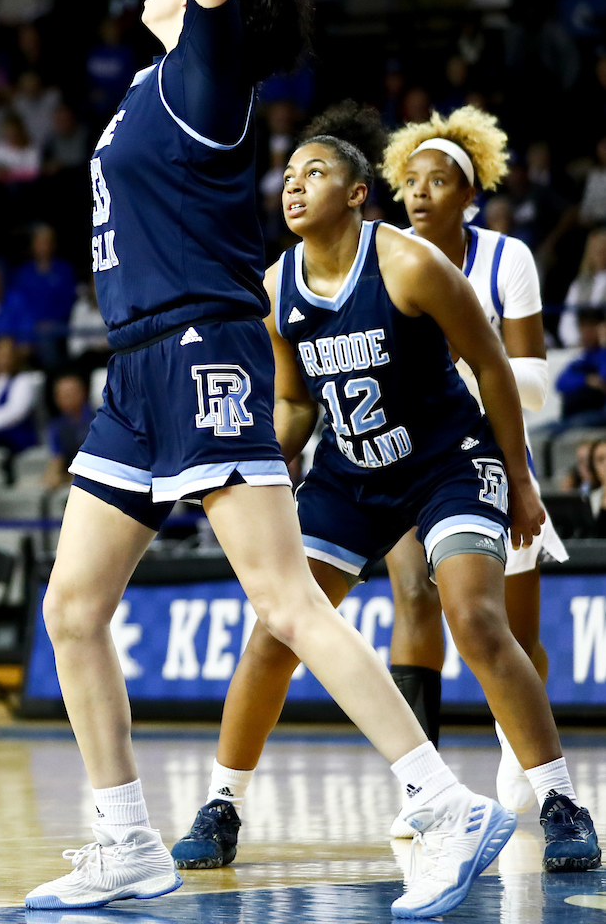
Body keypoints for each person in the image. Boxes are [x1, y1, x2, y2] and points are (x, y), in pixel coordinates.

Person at [24, 0, 518, 917]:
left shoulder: (206, 77)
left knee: (285, 598)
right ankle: (125, 841)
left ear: (215, 2)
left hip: (203, 352)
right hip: (136, 369)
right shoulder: (155, 87)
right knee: (73, 606)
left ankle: (440, 806)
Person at [171, 121, 599, 878]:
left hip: (447, 462)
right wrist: (265, 461)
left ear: (359, 194)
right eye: (289, 175)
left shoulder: (409, 263)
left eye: (314, 172)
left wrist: (523, 481)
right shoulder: (276, 286)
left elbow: (495, 368)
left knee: (473, 615)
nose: (293, 184)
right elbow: (296, 402)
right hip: (350, 473)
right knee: (277, 630)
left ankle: (560, 798)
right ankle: (222, 804)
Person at [375, 106, 573, 816]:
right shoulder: (382, 260)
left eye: (438, 180)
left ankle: (522, 751)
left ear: (470, 194)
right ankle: (420, 788)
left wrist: (459, 370)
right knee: (415, 598)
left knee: (513, 634)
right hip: (405, 456)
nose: (420, 191)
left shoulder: (506, 258)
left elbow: (536, 379)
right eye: (410, 180)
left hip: (491, 453)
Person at [12, 224, 78, 368]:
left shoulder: (64, 270)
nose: (44, 246)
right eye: (40, 242)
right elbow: (20, 303)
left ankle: (51, 374)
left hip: (59, 324)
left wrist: (50, 322)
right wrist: (32, 323)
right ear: (33, 245)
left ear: (54, 245)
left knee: (47, 336)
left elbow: (68, 301)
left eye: (48, 242)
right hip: (30, 325)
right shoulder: (24, 272)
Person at [43, 372, 95, 491]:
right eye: (61, 395)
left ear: (83, 393)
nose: (66, 398)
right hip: (70, 477)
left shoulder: (98, 421)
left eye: (70, 393)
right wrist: (52, 476)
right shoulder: (56, 426)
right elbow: (57, 458)